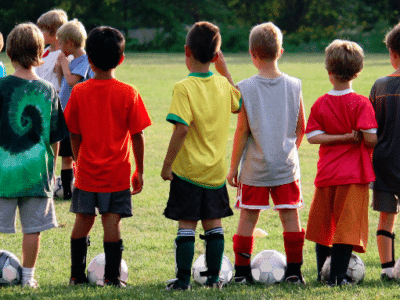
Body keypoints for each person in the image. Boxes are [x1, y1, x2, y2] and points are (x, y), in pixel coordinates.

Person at [64, 26, 152, 287]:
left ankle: (76, 276)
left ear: (88, 60)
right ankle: (113, 278)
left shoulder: (79, 92)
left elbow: (73, 134)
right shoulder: (129, 93)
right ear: (121, 59)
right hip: (117, 174)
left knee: (83, 221)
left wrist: (79, 161)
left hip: (87, 173)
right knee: (111, 223)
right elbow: (138, 135)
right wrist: (140, 170)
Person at [161, 21, 241, 290]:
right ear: (216, 55)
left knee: (187, 225)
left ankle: (183, 280)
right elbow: (238, 102)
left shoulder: (184, 87)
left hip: (187, 171)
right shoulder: (222, 84)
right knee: (213, 225)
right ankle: (215, 278)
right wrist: (225, 71)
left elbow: (181, 128)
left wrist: (166, 164)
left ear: (187, 51)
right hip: (215, 172)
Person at [227, 22, 306, 285]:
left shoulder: (245, 87)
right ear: (280, 51)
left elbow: (242, 131)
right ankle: (295, 272)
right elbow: (301, 127)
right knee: (290, 216)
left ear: (252, 54)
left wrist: (233, 168)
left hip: (255, 168)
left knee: (248, 217)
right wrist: (289, 153)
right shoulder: (295, 85)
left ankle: (240, 273)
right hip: (286, 166)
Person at [0, 23, 69, 288]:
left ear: (10, 53)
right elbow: (55, 138)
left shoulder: (1, 86)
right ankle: (28, 277)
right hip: (36, 172)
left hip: (4, 170)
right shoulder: (48, 90)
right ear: (41, 52)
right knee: (33, 228)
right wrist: (51, 169)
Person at [305, 39, 377, 286]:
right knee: (346, 227)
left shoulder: (321, 103)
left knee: (324, 225)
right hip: (354, 175)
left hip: (327, 174)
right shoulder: (361, 103)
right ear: (358, 71)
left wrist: (336, 137)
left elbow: (312, 137)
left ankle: (321, 273)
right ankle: (336, 277)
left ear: (328, 71)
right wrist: (359, 137)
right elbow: (369, 139)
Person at [370, 22, 400, 281]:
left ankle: (387, 269)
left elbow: (372, 128)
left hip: (383, 162)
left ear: (392, 54)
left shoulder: (379, 86)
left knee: (385, 218)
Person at [56, 19, 93, 200]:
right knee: (65, 155)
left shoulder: (85, 60)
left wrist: (63, 64)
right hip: (66, 114)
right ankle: (67, 191)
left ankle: (81, 187)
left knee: (77, 154)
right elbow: (64, 81)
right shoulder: (74, 60)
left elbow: (72, 81)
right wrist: (60, 69)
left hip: (78, 117)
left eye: (61, 42)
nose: (60, 46)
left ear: (70, 43)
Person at [36, 8, 68, 92]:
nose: (39, 33)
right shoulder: (41, 53)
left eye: (43, 30)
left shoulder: (66, 54)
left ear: (56, 31)